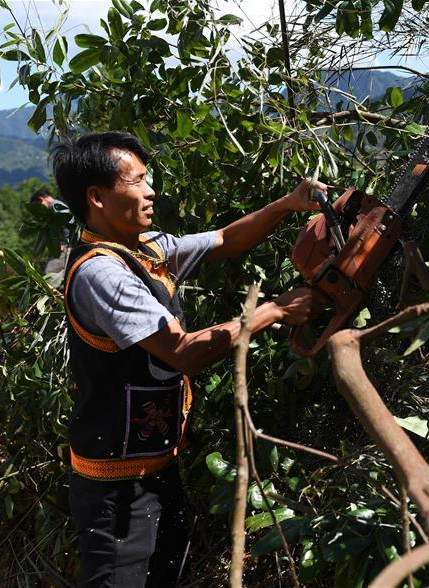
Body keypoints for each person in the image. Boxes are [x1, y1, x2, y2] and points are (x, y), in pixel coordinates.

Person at [51, 131, 320, 587]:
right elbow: (183, 353)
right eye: (137, 181)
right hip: (116, 490)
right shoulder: (102, 273)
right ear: (96, 198)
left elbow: (223, 240)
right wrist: (271, 311)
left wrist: (284, 206)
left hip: (156, 469)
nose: (151, 190)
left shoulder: (146, 249)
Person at [30, 187, 75, 288]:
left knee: (50, 274)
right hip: (66, 246)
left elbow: (68, 223)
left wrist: (64, 244)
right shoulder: (54, 208)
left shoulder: (56, 207)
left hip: (65, 248)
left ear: (41, 200)